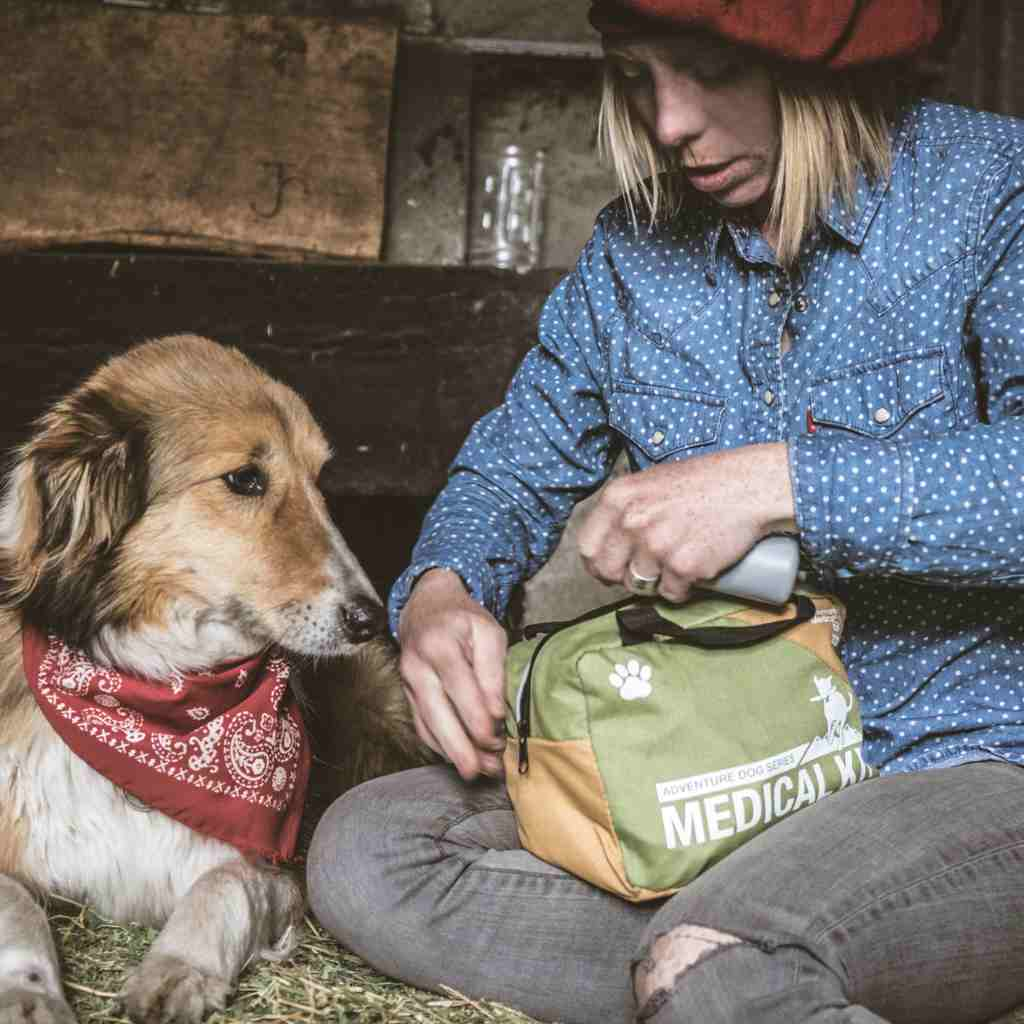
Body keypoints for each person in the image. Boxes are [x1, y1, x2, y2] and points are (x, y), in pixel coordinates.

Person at [307, 1, 1024, 1020]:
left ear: (814, 63)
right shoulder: (632, 255)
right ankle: (752, 957)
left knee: (719, 960)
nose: (667, 122)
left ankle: (736, 956)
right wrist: (439, 592)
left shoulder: (992, 191)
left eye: (706, 70)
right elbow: (510, 470)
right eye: (637, 75)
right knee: (366, 853)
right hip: (720, 757)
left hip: (964, 762)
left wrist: (778, 483)